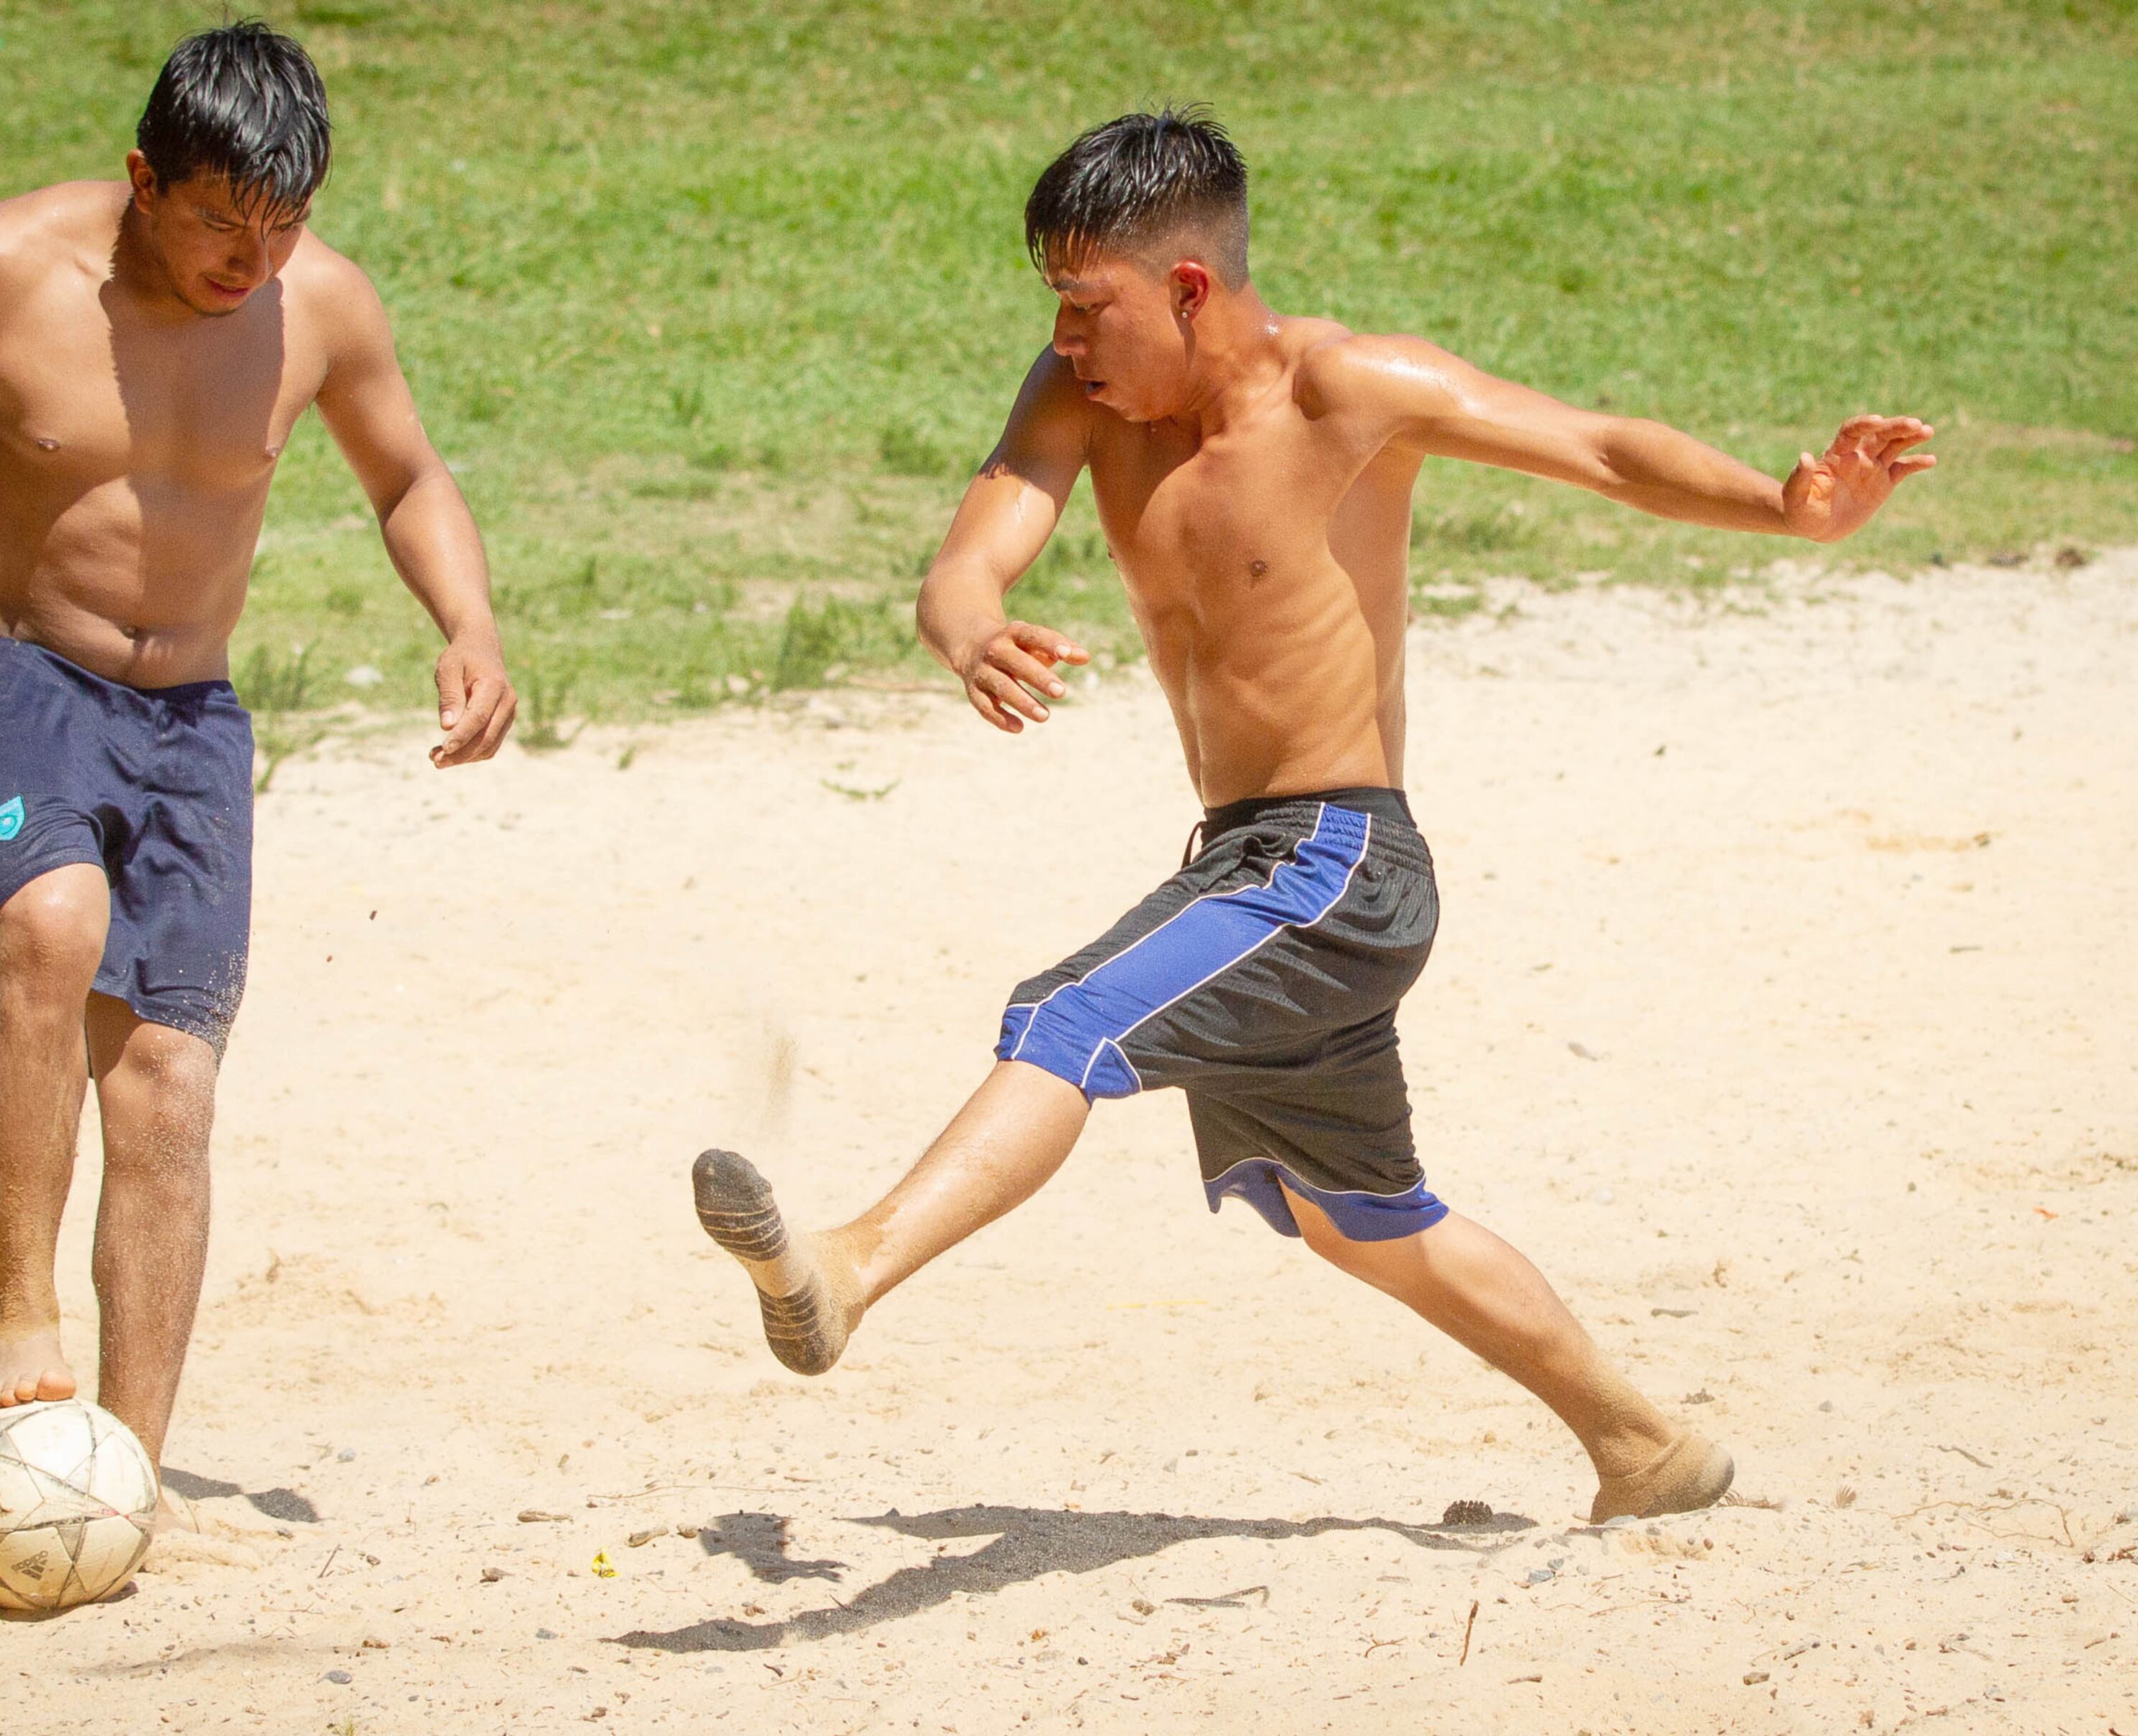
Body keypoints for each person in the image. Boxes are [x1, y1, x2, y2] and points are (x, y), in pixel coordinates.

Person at [694, 108, 1932, 1521]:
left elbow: (1600, 448)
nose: (1070, 338)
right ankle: (1644, 1442)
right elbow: (973, 551)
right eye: (1058, 309)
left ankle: (846, 1268)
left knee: (1069, 1015)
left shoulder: (1352, 387)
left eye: (1090, 306)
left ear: (1192, 289)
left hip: (1340, 856)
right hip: (1245, 860)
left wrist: (1790, 504)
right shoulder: (1078, 395)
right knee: (1363, 1219)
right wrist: (970, 628)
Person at [0, 22, 515, 1480]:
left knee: (167, 1076)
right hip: (2, 666)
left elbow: (408, 472)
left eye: (282, 220)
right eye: (222, 215)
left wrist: (468, 623)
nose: (252, 254)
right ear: (143, 179)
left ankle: (123, 1472)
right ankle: (16, 1301)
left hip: (188, 718)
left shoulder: (320, 307)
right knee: (55, 919)